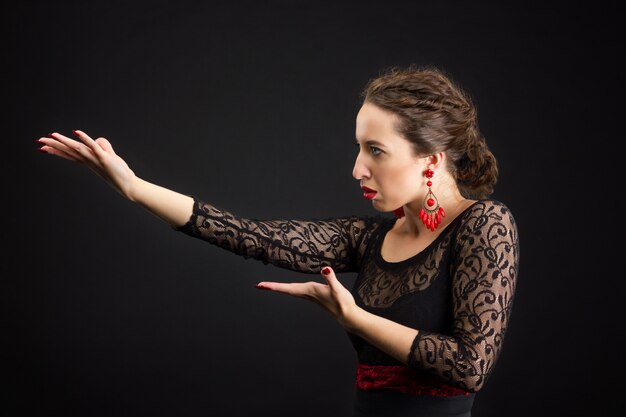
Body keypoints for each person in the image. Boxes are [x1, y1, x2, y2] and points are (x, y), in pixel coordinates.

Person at [36, 65, 519, 417]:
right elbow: (251, 236)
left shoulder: (485, 225)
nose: (357, 168)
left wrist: (354, 317)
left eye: (375, 150)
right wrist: (134, 188)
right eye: (358, 147)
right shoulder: (371, 236)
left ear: (430, 160)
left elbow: (469, 365)